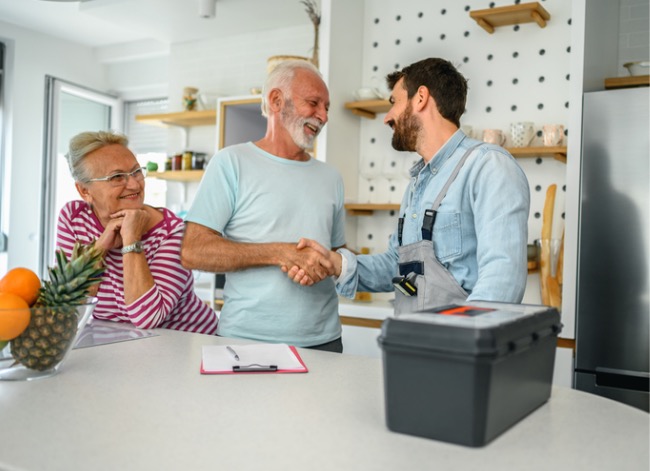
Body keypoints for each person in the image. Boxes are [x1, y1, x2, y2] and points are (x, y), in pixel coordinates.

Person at [289, 57, 530, 314]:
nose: (387, 118)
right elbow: (399, 269)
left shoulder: (487, 166)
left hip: (461, 347)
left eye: (394, 103)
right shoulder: (419, 183)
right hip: (413, 340)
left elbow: (502, 279)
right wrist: (336, 263)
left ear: (421, 98)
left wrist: (464, 341)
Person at [180, 60, 347, 352]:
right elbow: (194, 251)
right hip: (245, 342)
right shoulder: (231, 163)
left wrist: (321, 264)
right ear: (276, 100)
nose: (323, 116)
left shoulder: (331, 177)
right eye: (313, 103)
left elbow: (337, 253)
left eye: (327, 107)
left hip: (325, 342)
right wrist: (280, 253)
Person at [57, 130, 218, 334]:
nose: (134, 184)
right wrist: (100, 248)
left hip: (189, 344)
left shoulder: (174, 233)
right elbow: (70, 307)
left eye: (136, 172)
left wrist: (131, 239)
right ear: (85, 191)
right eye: (117, 177)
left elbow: (147, 317)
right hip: (121, 344)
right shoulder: (74, 218)